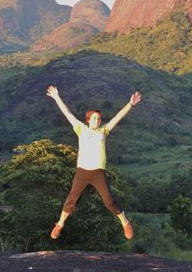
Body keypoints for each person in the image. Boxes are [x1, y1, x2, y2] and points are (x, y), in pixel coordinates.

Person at [46, 85, 141, 240]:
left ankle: (125, 222)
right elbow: (67, 113)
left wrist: (130, 104)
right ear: (88, 120)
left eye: (99, 118)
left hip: (98, 172)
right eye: (94, 118)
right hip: (82, 171)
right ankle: (60, 224)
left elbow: (117, 117)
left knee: (109, 201)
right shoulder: (81, 129)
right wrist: (57, 97)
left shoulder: (103, 131)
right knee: (72, 198)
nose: (97, 120)